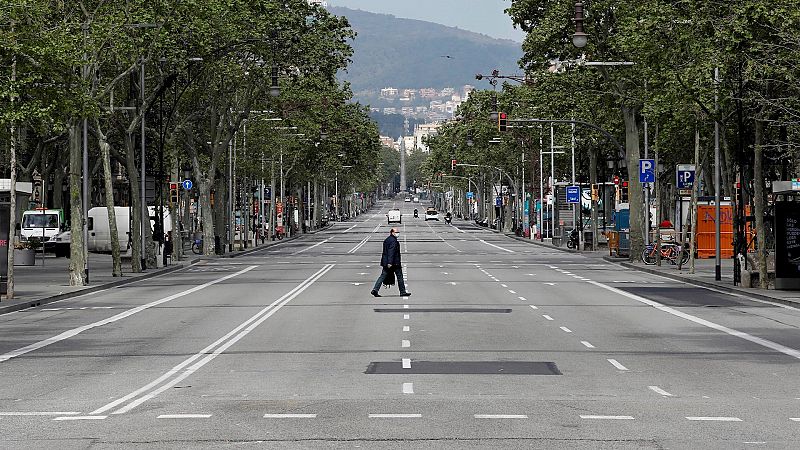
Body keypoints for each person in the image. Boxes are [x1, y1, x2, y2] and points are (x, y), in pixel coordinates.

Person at [371, 228, 411, 297]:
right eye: (396, 232)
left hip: (386, 262)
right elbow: (391, 252)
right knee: (400, 277)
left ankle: (375, 289)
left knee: (382, 276)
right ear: (392, 232)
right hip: (394, 263)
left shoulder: (387, 239)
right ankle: (402, 291)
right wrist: (390, 262)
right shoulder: (393, 241)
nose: (398, 233)